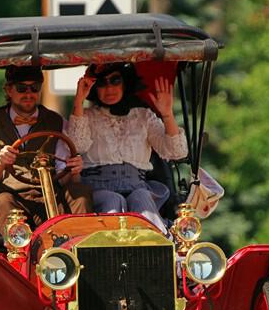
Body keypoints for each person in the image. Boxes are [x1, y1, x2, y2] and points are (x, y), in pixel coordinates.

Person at [0, 65, 93, 230]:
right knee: (4, 202)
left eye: (34, 88)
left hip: (49, 197)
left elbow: (64, 176)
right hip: (9, 199)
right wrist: (1, 163)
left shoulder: (55, 121)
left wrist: (73, 170)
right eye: (21, 88)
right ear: (9, 90)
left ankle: (76, 249)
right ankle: (19, 251)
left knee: (80, 193)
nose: (28, 94)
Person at [68, 63, 188, 233]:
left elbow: (177, 152)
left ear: (125, 83)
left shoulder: (143, 116)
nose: (109, 88)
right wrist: (78, 102)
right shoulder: (87, 116)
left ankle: (158, 246)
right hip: (98, 188)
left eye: (115, 80)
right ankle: (107, 250)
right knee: (113, 200)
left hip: (137, 186)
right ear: (95, 87)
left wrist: (167, 115)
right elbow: (76, 145)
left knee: (141, 197)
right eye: (102, 83)